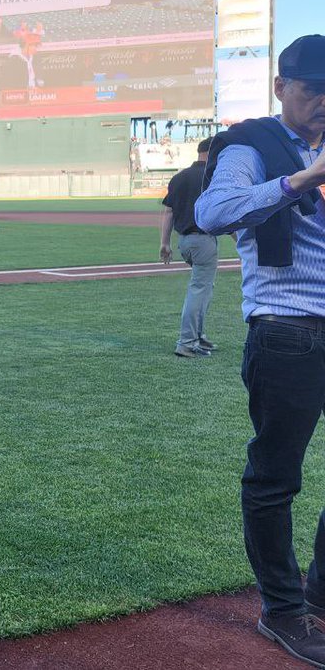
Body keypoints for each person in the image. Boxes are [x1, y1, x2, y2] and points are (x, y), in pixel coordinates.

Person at [196, 34, 325, 667]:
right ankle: (283, 611)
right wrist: (303, 178)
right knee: (276, 479)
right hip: (289, 333)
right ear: (282, 88)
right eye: (312, 90)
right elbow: (214, 212)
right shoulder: (251, 145)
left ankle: (319, 597)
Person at [160, 138, 218, 357]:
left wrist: (164, 243)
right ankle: (187, 342)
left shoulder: (179, 177)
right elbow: (221, 212)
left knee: (203, 288)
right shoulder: (212, 176)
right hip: (203, 239)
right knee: (199, 290)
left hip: (184, 240)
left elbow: (169, 212)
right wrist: (238, 240)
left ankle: (198, 336)